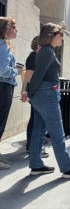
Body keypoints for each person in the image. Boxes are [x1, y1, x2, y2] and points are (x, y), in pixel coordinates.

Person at [20, 23, 70, 179]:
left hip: (42, 95)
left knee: (39, 130)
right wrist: (29, 93)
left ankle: (36, 165)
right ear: (52, 35)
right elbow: (38, 76)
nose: (62, 37)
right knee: (58, 133)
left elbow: (38, 76)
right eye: (60, 34)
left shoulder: (46, 51)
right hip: (46, 95)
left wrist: (29, 93)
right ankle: (67, 169)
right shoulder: (47, 52)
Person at [0, 17, 23, 170]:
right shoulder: (3, 46)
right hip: (3, 87)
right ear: (5, 28)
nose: (16, 30)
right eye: (13, 27)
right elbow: (2, 69)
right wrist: (17, 71)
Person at [24, 36, 48, 158]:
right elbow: (29, 77)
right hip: (37, 94)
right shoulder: (33, 57)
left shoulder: (37, 56)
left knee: (36, 120)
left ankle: (33, 147)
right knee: (35, 121)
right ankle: (32, 147)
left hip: (38, 93)